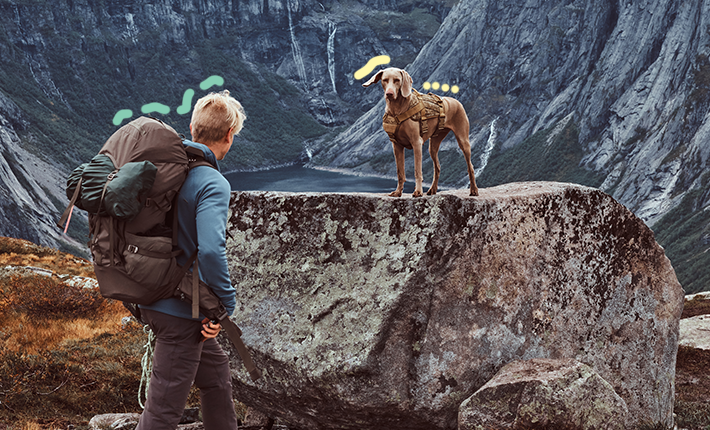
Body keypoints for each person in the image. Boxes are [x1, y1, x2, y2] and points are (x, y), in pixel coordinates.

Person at [136, 90, 246, 430]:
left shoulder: (162, 169)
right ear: (229, 135)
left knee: (215, 374)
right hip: (179, 313)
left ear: (191, 128)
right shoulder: (212, 183)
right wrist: (224, 304)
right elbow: (211, 250)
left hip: (149, 294)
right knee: (162, 413)